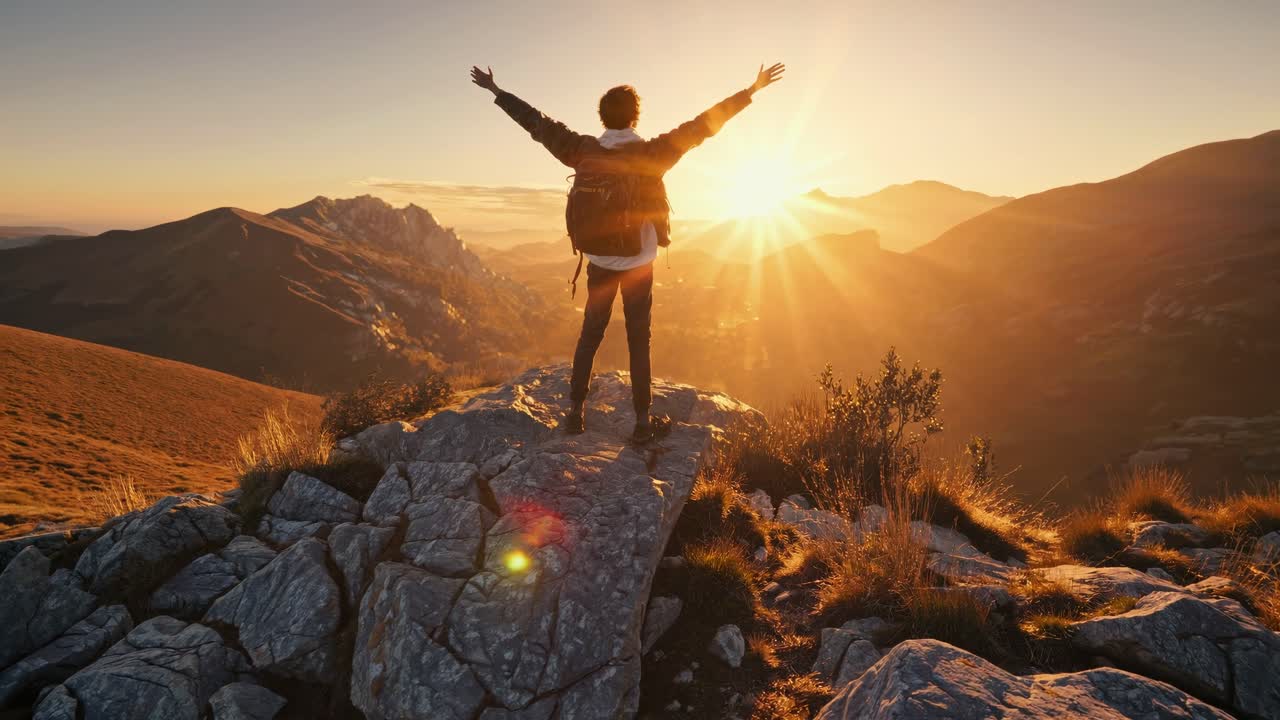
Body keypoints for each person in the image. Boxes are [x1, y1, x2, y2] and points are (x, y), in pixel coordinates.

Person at [471, 62, 785, 442]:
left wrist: (495, 90)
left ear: (602, 117)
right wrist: (750, 90)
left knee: (590, 335)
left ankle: (575, 412)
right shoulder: (653, 154)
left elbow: (536, 123)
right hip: (639, 263)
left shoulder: (581, 150)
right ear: (636, 117)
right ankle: (641, 422)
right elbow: (704, 125)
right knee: (639, 339)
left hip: (599, 261)